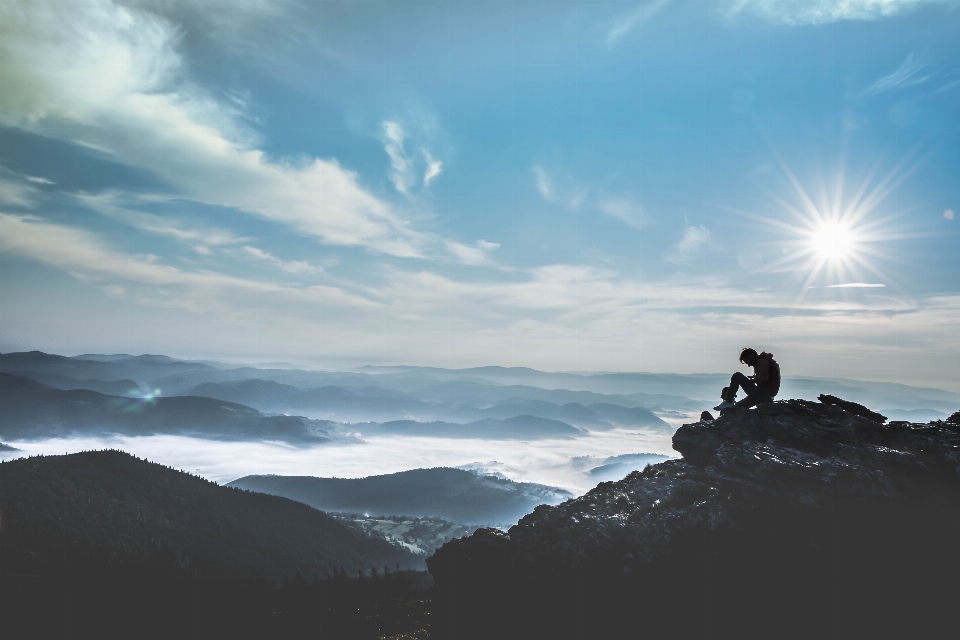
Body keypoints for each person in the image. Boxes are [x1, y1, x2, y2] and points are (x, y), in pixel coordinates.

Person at [714, 348, 780, 413]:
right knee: (737, 407)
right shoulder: (763, 361)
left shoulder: (762, 361)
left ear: (750, 357)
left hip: (763, 396)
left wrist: (751, 381)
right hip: (765, 397)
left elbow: (763, 377)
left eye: (747, 361)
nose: (748, 365)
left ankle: (728, 401)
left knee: (737, 375)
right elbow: (765, 376)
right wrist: (754, 378)